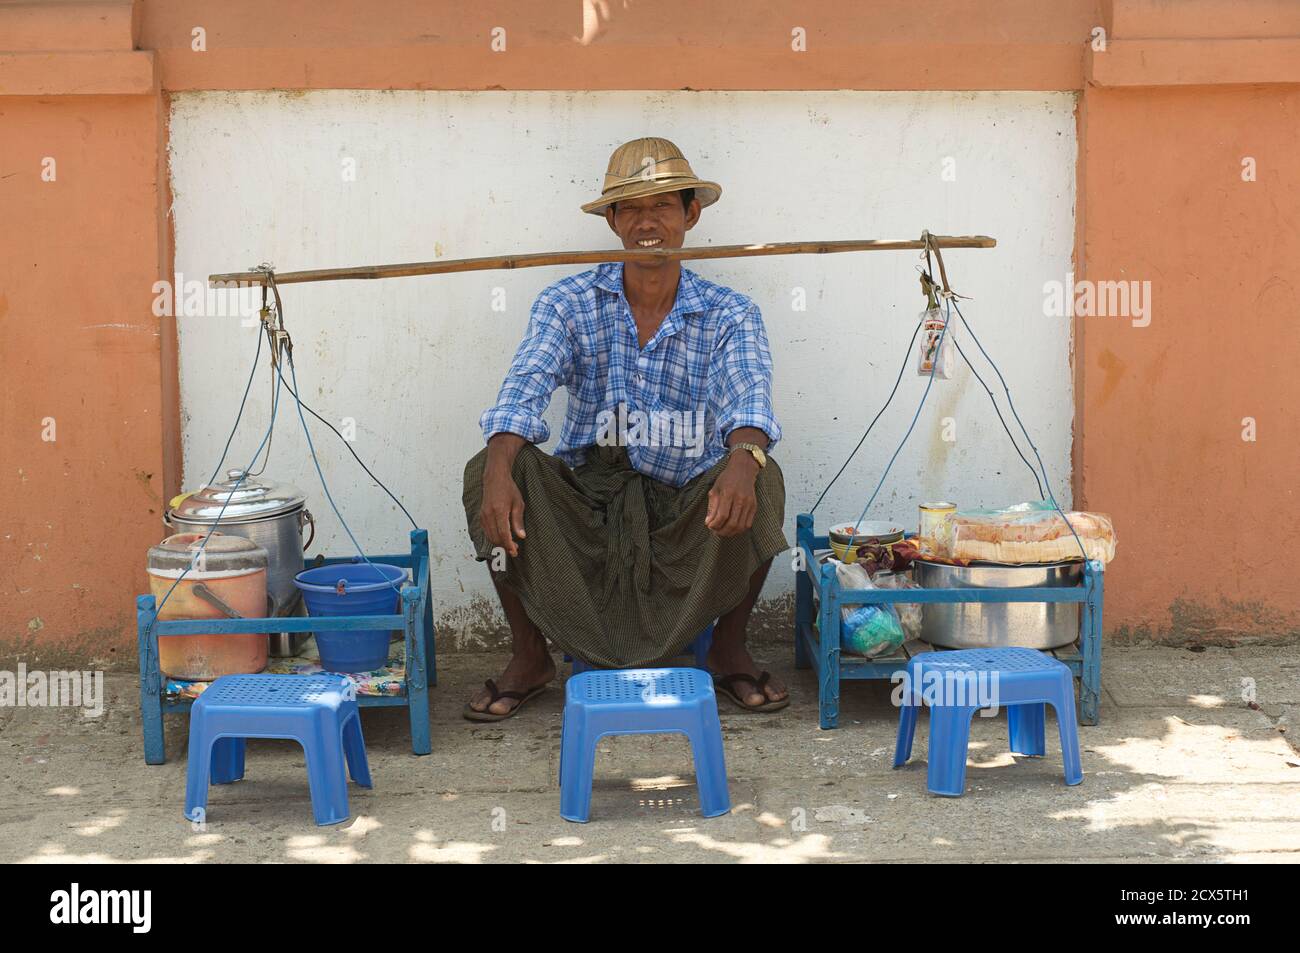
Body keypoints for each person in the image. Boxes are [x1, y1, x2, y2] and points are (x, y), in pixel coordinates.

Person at [462, 136, 789, 720]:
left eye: (663, 205)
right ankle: (530, 655)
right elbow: (525, 385)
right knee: (491, 469)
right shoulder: (567, 301)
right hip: (590, 500)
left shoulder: (730, 313)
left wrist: (745, 459)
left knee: (760, 478)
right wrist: (497, 465)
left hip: (686, 503)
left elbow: (751, 400)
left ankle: (729, 650)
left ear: (691, 214)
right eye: (631, 207)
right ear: (612, 220)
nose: (647, 222)